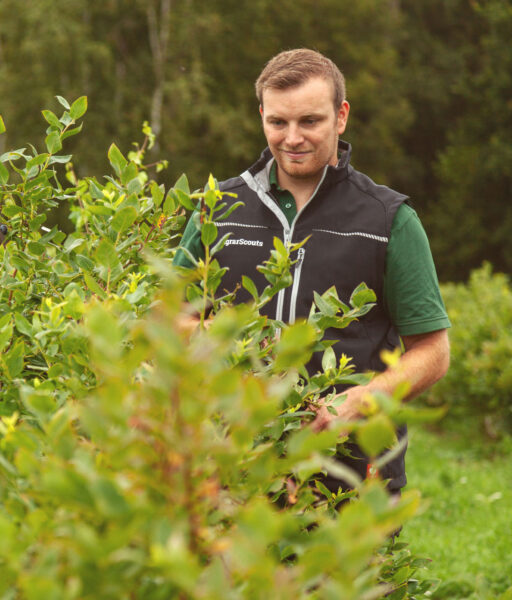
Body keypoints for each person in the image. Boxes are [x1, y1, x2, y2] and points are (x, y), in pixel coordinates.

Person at [173, 48, 450, 495]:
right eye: (277, 122)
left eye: (310, 121)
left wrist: (358, 402)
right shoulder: (215, 210)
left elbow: (433, 350)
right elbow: (173, 320)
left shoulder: (388, 220)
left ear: (341, 117)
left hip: (351, 478)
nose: (292, 137)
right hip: (231, 468)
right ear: (261, 115)